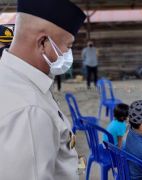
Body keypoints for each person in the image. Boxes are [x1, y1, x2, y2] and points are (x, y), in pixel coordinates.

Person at [0, 0, 86, 180]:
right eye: (68, 46)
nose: (69, 54)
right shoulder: (29, 112)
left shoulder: (11, 77)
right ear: (43, 43)